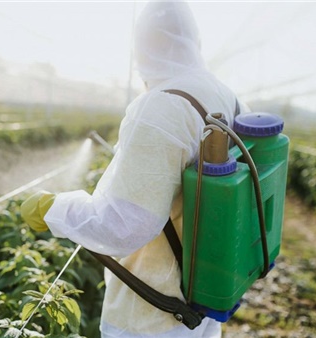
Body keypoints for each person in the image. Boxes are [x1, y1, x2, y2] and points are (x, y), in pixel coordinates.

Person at [21, 1, 248, 337]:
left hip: (153, 316)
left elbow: (124, 226)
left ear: (140, 48)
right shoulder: (225, 95)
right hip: (202, 298)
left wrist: (54, 208)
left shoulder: (162, 105)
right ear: (194, 42)